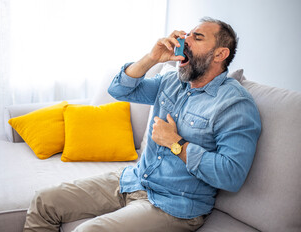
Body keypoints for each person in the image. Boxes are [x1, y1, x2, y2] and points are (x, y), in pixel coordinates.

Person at [23, 17, 261, 232]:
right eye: (187, 34)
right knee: (44, 201)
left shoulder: (235, 105)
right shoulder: (171, 81)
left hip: (175, 205)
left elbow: (231, 175)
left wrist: (176, 144)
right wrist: (152, 58)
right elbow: (119, 89)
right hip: (135, 179)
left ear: (220, 54)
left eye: (197, 37)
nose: (185, 40)